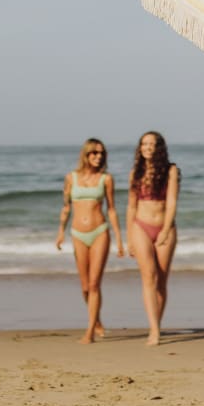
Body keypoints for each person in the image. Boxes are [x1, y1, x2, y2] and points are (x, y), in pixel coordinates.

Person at [56, 138, 124, 344]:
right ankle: (97, 320)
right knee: (85, 286)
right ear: (85, 155)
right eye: (94, 153)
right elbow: (66, 207)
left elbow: (111, 209)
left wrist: (120, 240)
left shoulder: (106, 179)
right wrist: (60, 232)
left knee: (94, 284)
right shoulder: (71, 178)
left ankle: (89, 332)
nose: (98, 157)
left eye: (102, 153)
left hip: (100, 232)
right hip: (77, 233)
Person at [126, 131, 180, 346]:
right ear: (140, 148)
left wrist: (166, 230)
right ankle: (154, 330)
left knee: (161, 281)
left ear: (159, 147)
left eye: (152, 144)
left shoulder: (171, 170)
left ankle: (157, 322)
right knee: (148, 276)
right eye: (144, 144)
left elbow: (172, 202)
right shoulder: (135, 173)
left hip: (165, 227)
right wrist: (129, 236)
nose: (147, 147)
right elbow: (131, 206)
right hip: (140, 226)